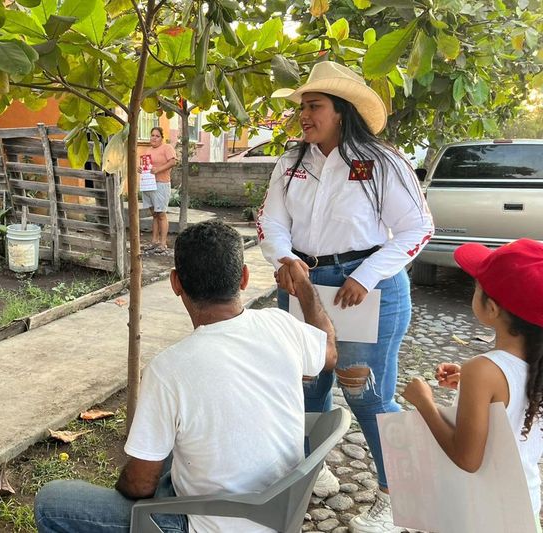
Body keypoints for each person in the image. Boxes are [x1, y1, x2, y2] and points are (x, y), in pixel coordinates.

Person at [34, 220, 338, 532]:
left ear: (175, 283)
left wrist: (125, 485)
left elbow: (139, 485)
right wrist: (302, 285)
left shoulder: (168, 370)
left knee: (51, 501)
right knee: (171, 449)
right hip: (277, 511)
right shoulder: (280, 325)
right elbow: (330, 352)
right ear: (244, 278)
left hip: (205, 522)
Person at [257, 61, 434, 533]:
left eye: (313, 106)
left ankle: (397, 497)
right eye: (302, 107)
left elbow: (418, 228)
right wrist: (283, 258)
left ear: (342, 111)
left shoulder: (382, 162)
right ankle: (312, 466)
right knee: (307, 385)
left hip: (366, 292)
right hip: (303, 286)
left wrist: (369, 274)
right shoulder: (292, 163)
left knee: (368, 395)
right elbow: (270, 222)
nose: (304, 115)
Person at [402, 239, 543, 531]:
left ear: (491, 308)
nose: (473, 291)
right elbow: (516, 402)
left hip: (481, 510)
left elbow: (467, 458)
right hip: (522, 503)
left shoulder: (483, 370)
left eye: (476, 287)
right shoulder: (525, 368)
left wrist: (424, 402)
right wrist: (470, 388)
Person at [140, 126, 177, 255]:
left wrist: (158, 169)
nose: (154, 138)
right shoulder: (147, 150)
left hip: (161, 184)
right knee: (154, 214)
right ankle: (154, 241)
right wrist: (141, 169)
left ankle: (163, 243)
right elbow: (145, 166)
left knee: (161, 214)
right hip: (148, 184)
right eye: (152, 135)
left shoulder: (167, 148)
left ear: (162, 138)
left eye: (157, 136)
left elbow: (173, 162)